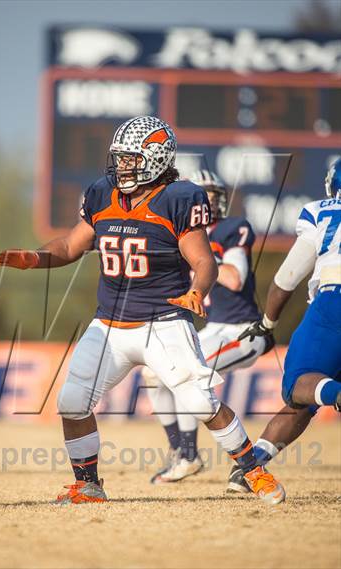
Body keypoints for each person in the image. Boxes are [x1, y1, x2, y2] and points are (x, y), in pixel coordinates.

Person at [0, 115, 285, 505]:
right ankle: (88, 484)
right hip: (109, 324)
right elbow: (69, 246)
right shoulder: (101, 193)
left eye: (131, 159)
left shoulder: (179, 197)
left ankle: (253, 471)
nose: (122, 166)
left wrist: (197, 290)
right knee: (72, 401)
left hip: (163, 321)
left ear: (157, 157)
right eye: (120, 158)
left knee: (200, 401)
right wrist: (34, 257)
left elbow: (204, 262)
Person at [145, 169, 275, 484]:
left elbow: (234, 278)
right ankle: (181, 451)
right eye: (202, 196)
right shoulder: (180, 235)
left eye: (213, 195)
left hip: (243, 331)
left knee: (185, 375)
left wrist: (200, 260)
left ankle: (190, 455)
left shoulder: (230, 229)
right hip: (214, 329)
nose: (209, 203)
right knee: (153, 373)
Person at [226, 157, 341, 494]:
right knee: (303, 403)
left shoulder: (322, 211)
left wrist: (266, 323)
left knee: (298, 384)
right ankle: (252, 464)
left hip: (335, 299)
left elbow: (286, 279)